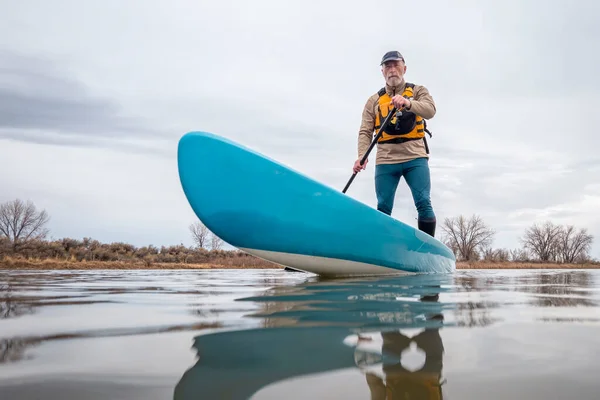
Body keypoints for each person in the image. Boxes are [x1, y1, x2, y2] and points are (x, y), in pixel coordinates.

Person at [353, 50, 437, 237]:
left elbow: (430, 110)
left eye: (396, 65)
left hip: (415, 156)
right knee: (382, 206)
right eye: (387, 66)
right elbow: (365, 131)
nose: (392, 70)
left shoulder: (418, 91)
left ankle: (428, 251)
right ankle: (381, 252)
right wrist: (361, 155)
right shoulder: (373, 101)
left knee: (423, 201)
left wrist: (408, 102)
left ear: (404, 68)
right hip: (386, 159)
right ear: (382, 71)